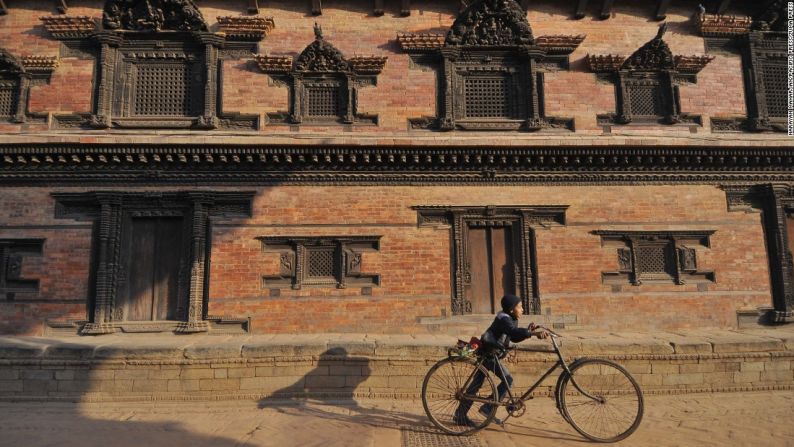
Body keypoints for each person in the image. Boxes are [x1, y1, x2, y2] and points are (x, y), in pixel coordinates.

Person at [454, 294, 548, 426]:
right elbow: (513, 331)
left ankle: (460, 415)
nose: (522, 310)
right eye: (519, 307)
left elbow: (513, 336)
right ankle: (487, 408)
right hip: (490, 354)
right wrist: (533, 334)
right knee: (508, 380)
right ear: (511, 309)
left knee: (475, 385)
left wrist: (528, 332)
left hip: (490, 353)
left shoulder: (510, 318)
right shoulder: (504, 319)